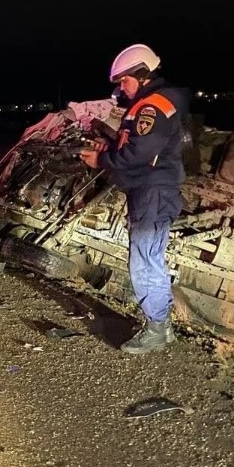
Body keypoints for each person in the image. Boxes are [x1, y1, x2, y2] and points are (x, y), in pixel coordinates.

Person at [79, 44, 190, 354]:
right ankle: (159, 326)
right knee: (148, 257)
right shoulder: (148, 104)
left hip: (152, 191)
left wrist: (101, 162)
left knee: (144, 261)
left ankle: (157, 329)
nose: (120, 89)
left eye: (124, 81)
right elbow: (135, 145)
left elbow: (140, 153)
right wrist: (107, 149)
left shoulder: (152, 106)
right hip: (150, 190)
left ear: (141, 76)